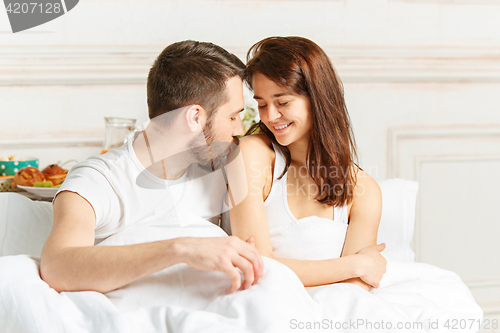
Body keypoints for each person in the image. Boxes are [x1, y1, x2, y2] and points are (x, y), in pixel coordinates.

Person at [40, 40, 263, 295]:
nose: (240, 130)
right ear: (195, 118)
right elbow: (57, 267)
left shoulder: (221, 169)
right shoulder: (98, 180)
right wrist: (182, 249)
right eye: (233, 116)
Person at [225, 36, 387, 291]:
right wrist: (356, 264)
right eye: (262, 104)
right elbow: (258, 268)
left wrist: (359, 270)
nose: (270, 116)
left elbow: (356, 289)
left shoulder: (363, 189)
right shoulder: (251, 155)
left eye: (283, 102)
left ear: (318, 98)